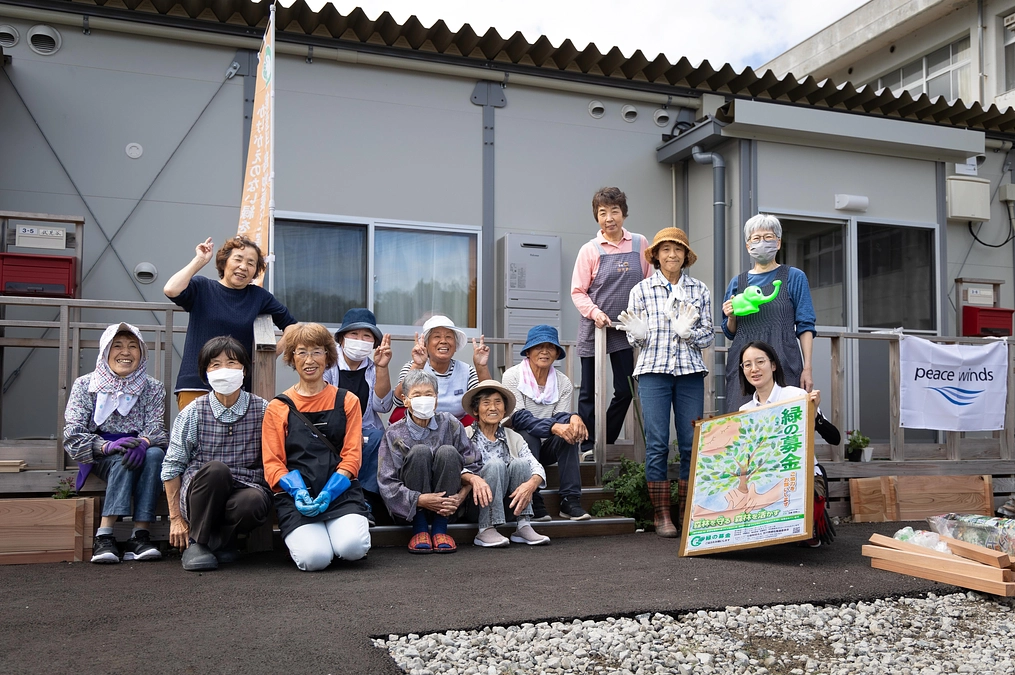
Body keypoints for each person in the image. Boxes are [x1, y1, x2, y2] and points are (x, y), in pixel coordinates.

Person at [616, 227, 713, 537]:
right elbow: (634, 335)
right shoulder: (641, 290)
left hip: (690, 373)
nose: (672, 255)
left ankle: (687, 513)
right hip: (653, 372)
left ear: (686, 256)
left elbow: (709, 334)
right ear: (655, 255)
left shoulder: (699, 290)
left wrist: (690, 333)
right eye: (666, 250)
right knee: (657, 443)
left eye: (678, 249)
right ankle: (662, 516)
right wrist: (638, 335)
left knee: (690, 443)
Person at [262, 323, 371, 571]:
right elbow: (273, 464)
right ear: (291, 358)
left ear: (328, 356)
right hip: (295, 496)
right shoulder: (278, 407)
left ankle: (340, 534)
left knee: (353, 547)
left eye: (317, 352)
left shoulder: (348, 400)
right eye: (301, 352)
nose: (309, 360)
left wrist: (330, 491)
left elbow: (352, 456)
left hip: (341, 493)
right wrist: (297, 491)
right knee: (315, 559)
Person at [161, 337, 272, 571]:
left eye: (232, 363)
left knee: (253, 501)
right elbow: (172, 467)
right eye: (215, 364)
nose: (224, 370)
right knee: (217, 471)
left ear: (244, 370)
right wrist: (176, 519)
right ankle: (198, 543)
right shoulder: (194, 412)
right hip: (202, 490)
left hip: (245, 486)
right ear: (205, 372)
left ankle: (222, 539)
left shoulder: (263, 409)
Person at [63, 322, 167, 564]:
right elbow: (73, 434)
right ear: (105, 351)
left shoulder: (152, 387)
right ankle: (105, 535)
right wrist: (105, 446)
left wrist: (143, 441)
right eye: (117, 345)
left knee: (153, 455)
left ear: (142, 353)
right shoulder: (85, 385)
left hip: (141, 449)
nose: (126, 352)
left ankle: (139, 535)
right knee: (122, 457)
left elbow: (157, 429)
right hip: (99, 453)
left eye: (133, 346)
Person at [164, 236, 298, 411]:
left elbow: (293, 326)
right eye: (238, 259)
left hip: (238, 387)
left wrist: (273, 353)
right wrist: (199, 260)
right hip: (198, 383)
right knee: (195, 437)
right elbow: (171, 289)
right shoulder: (203, 287)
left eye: (251, 263)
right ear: (224, 261)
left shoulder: (258, 296)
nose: (243, 266)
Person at [571, 187, 651, 453]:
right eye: (602, 212)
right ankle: (586, 447)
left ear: (624, 214)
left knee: (626, 389)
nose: (609, 218)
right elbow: (578, 292)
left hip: (627, 330)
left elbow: (650, 283)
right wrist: (596, 313)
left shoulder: (640, 243)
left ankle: (603, 442)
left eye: (614, 211)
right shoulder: (590, 250)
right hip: (596, 327)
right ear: (597, 217)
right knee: (588, 392)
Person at [378, 369, 491, 554]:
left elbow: (474, 462)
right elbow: (387, 481)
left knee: (448, 452)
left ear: (436, 398)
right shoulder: (394, 433)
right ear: (406, 400)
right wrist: (420, 500)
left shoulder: (450, 423)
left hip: (449, 506)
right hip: (409, 511)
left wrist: (461, 495)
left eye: (428, 394)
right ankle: (420, 528)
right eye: (417, 395)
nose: (423, 399)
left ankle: (440, 528)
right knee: (419, 452)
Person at [738, 340, 836, 547]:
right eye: (747, 364)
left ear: (773, 365)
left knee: (804, 534)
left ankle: (811, 521)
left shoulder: (796, 396)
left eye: (760, 362)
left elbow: (834, 438)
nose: (754, 369)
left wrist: (814, 413)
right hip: (765, 481)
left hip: (800, 478)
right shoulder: (744, 411)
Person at [721, 214, 816, 412]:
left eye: (768, 237)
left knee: (785, 420)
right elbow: (730, 332)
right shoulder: (737, 282)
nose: (762, 242)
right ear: (748, 246)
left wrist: (807, 368)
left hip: (784, 358)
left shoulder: (794, 277)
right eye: (756, 238)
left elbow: (805, 325)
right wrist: (731, 316)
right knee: (743, 423)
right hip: (746, 364)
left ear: (778, 243)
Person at [502, 325, 590, 522]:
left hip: (548, 446)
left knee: (570, 433)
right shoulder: (513, 376)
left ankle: (570, 500)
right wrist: (554, 426)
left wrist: (573, 417)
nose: (544, 351)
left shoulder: (563, 382)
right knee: (528, 432)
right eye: (538, 346)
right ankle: (533, 498)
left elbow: (562, 418)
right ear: (529, 351)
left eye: (550, 347)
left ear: (557, 352)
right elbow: (519, 418)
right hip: (519, 447)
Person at [323, 308, 393, 521]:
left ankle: (364, 500)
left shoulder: (373, 367)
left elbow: (383, 406)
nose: (359, 340)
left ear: (374, 343)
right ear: (342, 338)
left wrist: (382, 368)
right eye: (354, 334)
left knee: (379, 438)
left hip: (367, 434)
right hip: (332, 430)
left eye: (366, 336)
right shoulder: (327, 364)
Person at [462, 381, 550, 547]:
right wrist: (475, 479)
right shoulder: (465, 435)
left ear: (504, 410)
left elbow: (535, 466)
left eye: (498, 402)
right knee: (495, 464)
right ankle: (485, 529)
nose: (493, 408)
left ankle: (524, 525)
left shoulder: (513, 436)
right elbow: (458, 469)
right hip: (475, 506)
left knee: (521, 463)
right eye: (486, 403)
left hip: (509, 506)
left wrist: (531, 484)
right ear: (476, 410)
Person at [392, 314, 491, 424]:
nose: (443, 341)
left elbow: (486, 400)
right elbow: (398, 401)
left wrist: (481, 366)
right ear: (426, 344)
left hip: (456, 427)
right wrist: (418, 365)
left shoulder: (466, 370)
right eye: (437, 337)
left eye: (449, 337)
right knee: (398, 414)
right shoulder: (413, 365)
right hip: (420, 424)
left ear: (455, 344)